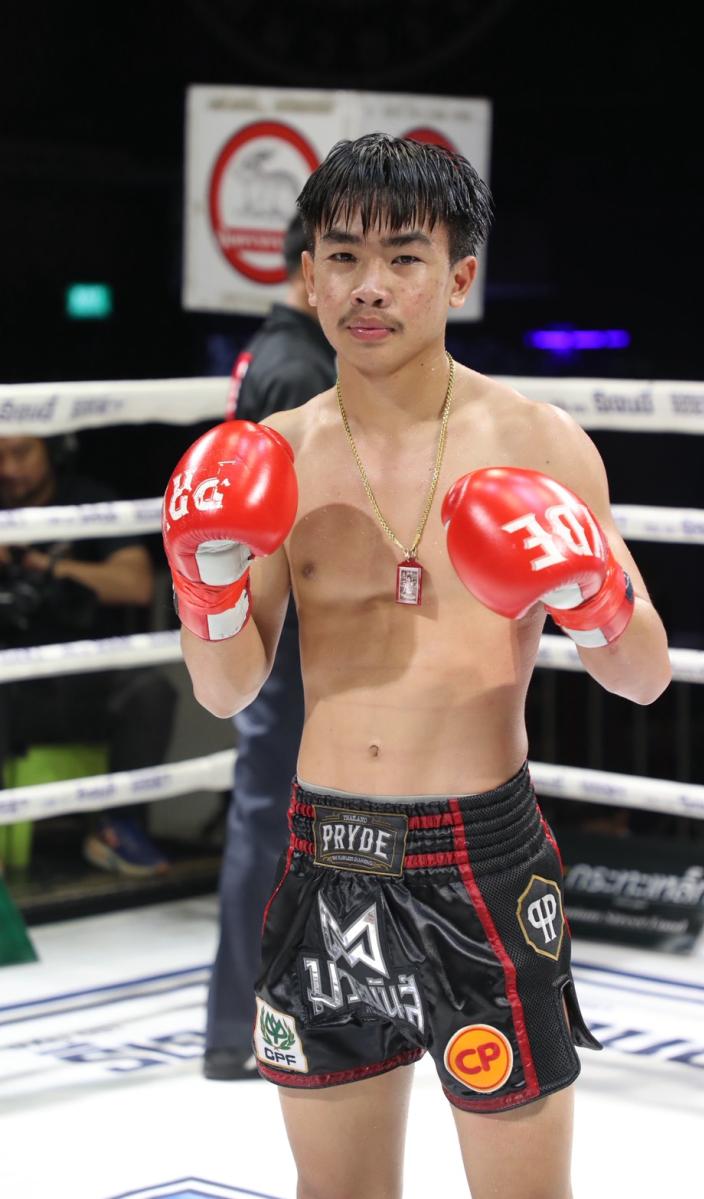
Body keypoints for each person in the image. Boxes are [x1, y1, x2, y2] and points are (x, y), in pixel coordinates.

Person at [163, 134, 671, 1199]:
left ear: (459, 276)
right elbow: (226, 688)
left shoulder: (538, 442)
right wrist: (205, 583)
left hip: (479, 854)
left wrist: (591, 592)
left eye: (403, 256)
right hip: (326, 850)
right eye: (344, 257)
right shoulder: (278, 452)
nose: (370, 286)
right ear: (309, 276)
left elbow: (642, 675)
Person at [204, 214, 337, 1080]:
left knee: (276, 815)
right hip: (287, 621)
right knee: (270, 816)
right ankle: (241, 1025)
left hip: (284, 616)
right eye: (345, 260)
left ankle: (252, 1021)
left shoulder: (281, 351)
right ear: (310, 270)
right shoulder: (297, 368)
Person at [0, 434, 175, 877]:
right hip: (13, 689)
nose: (9, 469)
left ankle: (119, 828)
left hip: (81, 686)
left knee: (150, 690)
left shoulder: (89, 500)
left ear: (53, 449)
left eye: (21, 452)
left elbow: (136, 583)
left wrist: (47, 567)